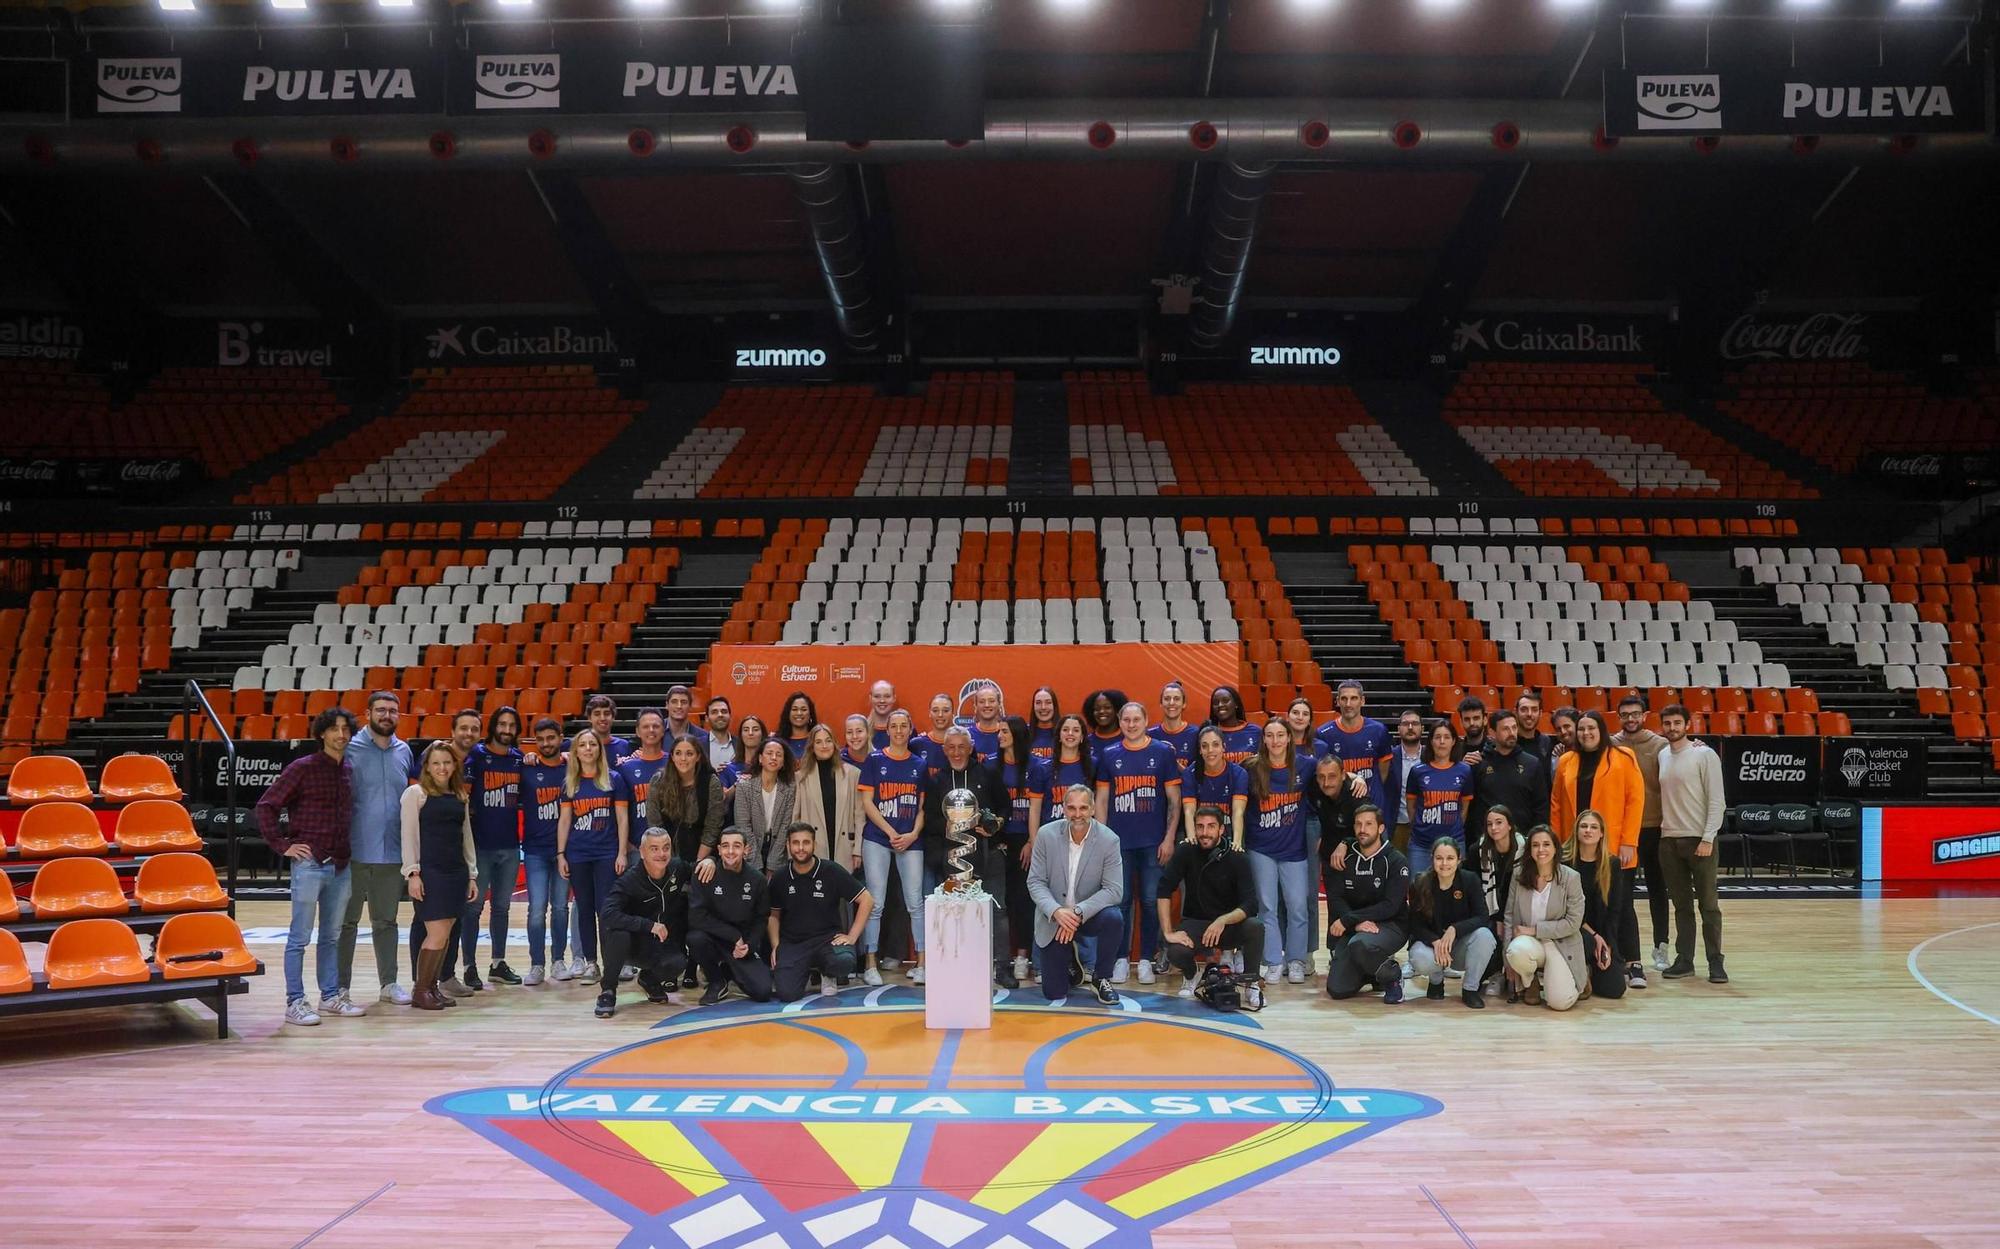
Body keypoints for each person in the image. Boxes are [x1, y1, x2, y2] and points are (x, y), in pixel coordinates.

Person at [259, 707, 359, 1026]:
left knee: (331, 936)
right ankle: (294, 1001)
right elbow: (266, 807)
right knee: (299, 937)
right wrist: (283, 845)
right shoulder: (302, 767)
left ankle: (330, 997)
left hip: (341, 864)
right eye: (334, 729)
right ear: (322, 733)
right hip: (310, 863)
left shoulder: (349, 769)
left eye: (345, 729)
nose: (340, 734)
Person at [1549, 710, 1647, 990]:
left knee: (1622, 904)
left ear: (1601, 730)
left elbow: (1635, 800)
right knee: (1581, 904)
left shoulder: (1623, 757)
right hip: (1574, 848)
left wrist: (1629, 840)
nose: (1586, 733)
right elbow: (1556, 804)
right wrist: (1557, 845)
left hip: (1614, 847)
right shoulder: (1568, 760)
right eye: (1581, 729)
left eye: (1591, 728)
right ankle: (1588, 955)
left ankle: (1633, 962)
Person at [1093, 702, 1181, 986]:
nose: (1131, 724)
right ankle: (1120, 958)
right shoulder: (1109, 755)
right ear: (1120, 723)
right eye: (1126, 720)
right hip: (1119, 843)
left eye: (1136, 719)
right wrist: (1103, 839)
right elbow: (1102, 801)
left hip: (1153, 843)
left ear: (1146, 721)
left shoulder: (1162, 752)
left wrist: (1169, 837)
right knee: (1120, 903)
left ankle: (1145, 958)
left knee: (1151, 901)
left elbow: (1174, 801)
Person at [336, 690, 413, 1013]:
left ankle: (388, 983)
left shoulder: (405, 751)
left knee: (387, 922)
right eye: (380, 710)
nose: (387, 716)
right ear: (367, 713)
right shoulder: (348, 748)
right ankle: (338, 988)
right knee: (346, 923)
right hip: (353, 852)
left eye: (393, 711)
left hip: (391, 853)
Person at [920, 726, 1015, 987]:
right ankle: (956, 965)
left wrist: (993, 824)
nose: (957, 752)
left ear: (971, 748)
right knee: (954, 913)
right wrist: (956, 825)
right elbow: (930, 819)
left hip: (989, 853)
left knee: (998, 910)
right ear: (944, 750)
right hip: (952, 858)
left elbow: (1005, 808)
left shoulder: (988, 773)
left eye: (962, 746)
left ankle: (1003, 967)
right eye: (951, 747)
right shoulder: (937, 780)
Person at [1025, 785, 1124, 1007]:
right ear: (1063, 809)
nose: (1077, 814)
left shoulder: (1109, 840)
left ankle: (1101, 977)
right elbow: (1035, 882)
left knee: (1114, 918)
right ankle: (1072, 962)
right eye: (1071, 808)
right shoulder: (1045, 835)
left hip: (1087, 916)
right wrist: (1057, 911)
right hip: (1055, 919)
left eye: (1083, 808)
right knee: (1055, 993)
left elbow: (1114, 890)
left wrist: (1078, 912)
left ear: (1092, 810)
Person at [1156, 805, 1262, 998]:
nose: (1205, 832)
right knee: (1175, 951)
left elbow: (1250, 904)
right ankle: (1191, 975)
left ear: (1221, 829)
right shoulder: (1185, 851)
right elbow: (1163, 889)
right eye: (1200, 827)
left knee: (1255, 926)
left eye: (1211, 826)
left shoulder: (1237, 856)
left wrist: (1223, 920)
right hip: (1196, 923)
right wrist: (1168, 932)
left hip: (1227, 925)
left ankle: (1251, 983)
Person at [401, 742, 477, 1012]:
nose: (442, 767)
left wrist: (472, 874)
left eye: (447, 762)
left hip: (456, 872)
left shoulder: (459, 794)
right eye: (436, 763)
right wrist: (413, 873)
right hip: (430, 872)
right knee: (436, 933)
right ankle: (421, 990)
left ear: (454, 765)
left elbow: (465, 837)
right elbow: (408, 836)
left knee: (445, 935)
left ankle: (432, 987)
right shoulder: (415, 794)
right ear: (427, 767)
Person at [1656, 703, 1728, 984]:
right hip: (1669, 841)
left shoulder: (1704, 754)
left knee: (1709, 905)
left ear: (1687, 724)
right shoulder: (1662, 755)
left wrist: (1708, 837)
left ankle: (1715, 962)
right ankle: (1685, 960)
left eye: (1677, 723)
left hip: (1700, 840)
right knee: (1682, 906)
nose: (1672, 728)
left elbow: (1717, 800)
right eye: (1667, 723)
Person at [556, 728, 631, 984]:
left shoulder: (613, 779)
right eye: (583, 744)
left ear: (600, 750)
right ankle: (590, 962)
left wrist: (621, 853)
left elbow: (622, 819)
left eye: (593, 744)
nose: (588, 748)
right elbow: (565, 821)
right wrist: (561, 854)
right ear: (576, 751)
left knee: (606, 909)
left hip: (606, 853)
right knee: (584, 909)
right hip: (578, 854)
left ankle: (614, 960)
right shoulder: (570, 783)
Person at [859, 709, 928, 985]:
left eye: (904, 726)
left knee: (915, 902)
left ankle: (922, 963)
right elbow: (867, 803)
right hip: (878, 838)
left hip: (911, 840)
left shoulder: (918, 764)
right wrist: (890, 831)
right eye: (894, 726)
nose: (899, 731)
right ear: (886, 730)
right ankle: (870, 963)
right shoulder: (874, 760)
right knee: (875, 903)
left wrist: (911, 834)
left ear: (910, 729)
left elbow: (923, 808)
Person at [1242, 719, 1313, 985]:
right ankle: (1272, 960)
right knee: (1267, 907)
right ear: (1263, 739)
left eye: (1280, 735)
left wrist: (1352, 776)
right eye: (1270, 735)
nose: (1275, 740)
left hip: (1294, 850)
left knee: (1297, 907)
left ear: (1289, 738)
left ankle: (1295, 960)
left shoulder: (1305, 765)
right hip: (1261, 848)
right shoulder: (1250, 768)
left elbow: (1333, 770)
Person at [768, 823, 873, 1002]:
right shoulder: (779, 877)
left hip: (827, 939)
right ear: (788, 846)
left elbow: (867, 900)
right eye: (796, 843)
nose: (801, 848)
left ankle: (827, 973)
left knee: (844, 961)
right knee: (786, 994)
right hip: (793, 943)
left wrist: (852, 937)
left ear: (814, 845)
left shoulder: (831, 870)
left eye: (806, 842)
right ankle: (805, 970)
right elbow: (773, 916)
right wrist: (776, 946)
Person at [595, 827, 692, 1018]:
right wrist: (648, 925)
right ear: (642, 852)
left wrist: (710, 862)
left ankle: (648, 979)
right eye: (654, 849)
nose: (661, 854)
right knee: (619, 933)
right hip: (628, 943)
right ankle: (608, 990)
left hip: (656, 943)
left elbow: (696, 868)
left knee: (678, 962)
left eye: (666, 848)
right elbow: (607, 913)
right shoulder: (630, 880)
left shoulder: (677, 868)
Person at [461, 705, 525, 990]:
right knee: (473, 908)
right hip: (480, 846)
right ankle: (468, 966)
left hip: (510, 846)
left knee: (502, 907)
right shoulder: (477, 755)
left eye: (512, 725)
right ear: (493, 726)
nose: (507, 730)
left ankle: (498, 963)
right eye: (502, 724)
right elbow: (463, 798)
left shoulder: (518, 759)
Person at [1324, 804, 1409, 1004]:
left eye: (1369, 824)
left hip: (1391, 924)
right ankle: (1375, 972)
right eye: (1358, 824)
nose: (1363, 829)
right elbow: (1336, 898)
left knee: (1359, 944)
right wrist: (1355, 924)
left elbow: (1391, 905)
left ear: (1380, 828)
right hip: (1355, 926)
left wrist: (1350, 920)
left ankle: (1393, 978)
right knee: (1337, 989)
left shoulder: (1396, 860)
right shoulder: (1344, 856)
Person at [1612, 694, 1670, 973]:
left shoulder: (1660, 745)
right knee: (1623, 894)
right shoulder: (1611, 744)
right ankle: (1624, 950)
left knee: (1658, 889)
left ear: (1645, 715)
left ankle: (1661, 946)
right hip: (1624, 832)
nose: (1631, 719)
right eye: (1625, 714)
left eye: (1635, 714)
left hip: (1654, 827)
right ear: (1618, 716)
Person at [686, 828, 775, 1005]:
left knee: (763, 991)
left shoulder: (757, 880)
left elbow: (761, 919)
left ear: (746, 850)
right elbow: (697, 917)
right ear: (718, 850)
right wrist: (734, 936)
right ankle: (716, 980)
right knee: (695, 939)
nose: (731, 851)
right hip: (716, 938)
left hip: (743, 943)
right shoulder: (705, 873)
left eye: (737, 846)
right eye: (725, 846)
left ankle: (729, 970)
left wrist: (749, 945)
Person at [1503, 825, 1587, 1011]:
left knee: (1559, 1003)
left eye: (1546, 844)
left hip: (1559, 942)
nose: (1541, 850)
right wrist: (1506, 960)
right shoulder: (1518, 875)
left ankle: (1577, 979)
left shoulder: (1571, 878)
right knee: (1515, 952)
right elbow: (1509, 916)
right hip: (1529, 942)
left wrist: (1535, 930)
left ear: (1555, 848)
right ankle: (1529, 981)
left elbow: (1573, 923)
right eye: (1535, 845)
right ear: (1529, 849)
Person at [1405, 836, 1495, 1008]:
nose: (1444, 863)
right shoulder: (1420, 882)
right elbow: (1414, 925)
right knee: (1420, 958)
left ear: (1459, 859)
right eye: (1439, 858)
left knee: (1485, 936)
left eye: (1450, 858)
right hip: (1432, 946)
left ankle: (1470, 989)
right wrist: (1435, 941)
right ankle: (1436, 981)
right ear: (1432, 859)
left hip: (1459, 946)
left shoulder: (1470, 880)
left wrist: (1455, 929)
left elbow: (1482, 916)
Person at [994, 716, 1050, 984]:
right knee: (1001, 902)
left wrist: (1031, 841)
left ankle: (1023, 955)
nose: (999, 736)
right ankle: (1001, 958)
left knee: (1024, 902)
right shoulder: (992, 765)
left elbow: (1038, 809)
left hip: (1027, 842)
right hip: (1000, 841)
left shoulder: (1037, 766)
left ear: (1016, 733)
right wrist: (996, 838)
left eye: (1004, 731)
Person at [519, 716, 573, 985]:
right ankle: (537, 964)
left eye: (551, 738)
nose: (545, 744)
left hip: (565, 849)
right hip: (535, 850)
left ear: (561, 737)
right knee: (537, 909)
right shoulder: (527, 767)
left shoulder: (571, 766)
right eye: (540, 739)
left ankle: (558, 960)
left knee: (561, 907)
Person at [1567, 810, 1628, 1003]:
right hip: (1575, 931)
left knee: (1614, 989)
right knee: (1586, 943)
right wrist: (1594, 936)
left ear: (1601, 833)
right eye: (1583, 826)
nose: (1588, 831)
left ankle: (1590, 969)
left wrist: (1608, 944)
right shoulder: (1565, 862)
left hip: (1602, 933)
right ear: (1576, 831)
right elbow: (1565, 911)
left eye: (1594, 827)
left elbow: (1615, 910)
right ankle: (1582, 966)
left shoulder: (1612, 864)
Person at [1402, 720, 1476, 879]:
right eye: (1437, 737)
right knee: (1418, 892)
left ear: (1454, 741)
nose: (1442, 742)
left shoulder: (1464, 770)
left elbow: (1464, 809)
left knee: (1453, 893)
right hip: (1421, 845)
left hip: (1454, 843)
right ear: (1431, 741)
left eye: (1446, 737)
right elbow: (1411, 807)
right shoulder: (1417, 771)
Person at [646, 736, 726, 868]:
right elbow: (655, 825)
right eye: (678, 753)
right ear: (671, 756)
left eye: (689, 754)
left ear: (698, 757)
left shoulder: (711, 782)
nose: (683, 759)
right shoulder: (658, 781)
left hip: (702, 852)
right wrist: (669, 862)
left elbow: (712, 828)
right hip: (666, 853)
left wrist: (697, 863)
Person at [1467, 708, 1549, 837]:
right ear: (1492, 732)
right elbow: (1473, 809)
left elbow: (1541, 807)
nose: (1512, 733)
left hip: (1522, 841)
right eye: (1505, 729)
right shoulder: (1479, 763)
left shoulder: (1532, 764)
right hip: (1488, 841)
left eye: (1514, 727)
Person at [794, 724, 863, 871]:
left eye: (828, 740)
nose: (824, 746)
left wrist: (858, 850)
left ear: (835, 744)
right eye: (818, 742)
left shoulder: (852, 774)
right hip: (813, 849)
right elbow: (795, 817)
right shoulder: (801, 777)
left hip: (845, 849)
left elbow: (859, 816)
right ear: (812, 747)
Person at [1316, 680, 1393, 814]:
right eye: (1344, 699)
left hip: (1373, 808)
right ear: (1337, 701)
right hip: (1339, 810)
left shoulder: (1378, 730)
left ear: (1362, 701)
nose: (1348, 704)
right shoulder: (1324, 734)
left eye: (1354, 698)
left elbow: (1383, 772)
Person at [1469, 805, 1522, 994]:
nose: (1494, 828)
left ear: (1510, 826)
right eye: (1490, 824)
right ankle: (1494, 975)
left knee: (1510, 929)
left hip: (1518, 909)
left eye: (1499, 822)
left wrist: (1502, 918)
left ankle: (1520, 976)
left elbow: (1519, 891)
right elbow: (1474, 888)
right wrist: (1496, 917)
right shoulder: (1478, 850)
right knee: (1488, 931)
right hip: (1487, 909)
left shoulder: (1523, 850)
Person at [734, 738, 798, 874]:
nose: (774, 757)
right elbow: (743, 826)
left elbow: (785, 826)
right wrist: (756, 863)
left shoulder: (789, 788)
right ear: (760, 758)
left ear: (783, 762)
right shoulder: (744, 786)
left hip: (777, 847)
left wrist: (773, 864)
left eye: (779, 755)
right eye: (769, 753)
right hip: (751, 845)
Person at [1181, 726, 1249, 849]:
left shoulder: (1239, 774)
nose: (1210, 750)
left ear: (1224, 747)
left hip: (1227, 831)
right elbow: (1189, 811)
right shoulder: (1190, 773)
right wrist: (1191, 838)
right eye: (1205, 746)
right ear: (1200, 750)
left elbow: (1238, 812)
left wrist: (1237, 842)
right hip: (1202, 834)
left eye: (1215, 745)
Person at [616, 708, 672, 835]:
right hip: (636, 845)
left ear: (663, 730)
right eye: (646, 726)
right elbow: (619, 812)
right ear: (638, 731)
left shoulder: (674, 763)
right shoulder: (626, 768)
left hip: (670, 844)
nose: (651, 730)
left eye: (656, 726)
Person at [1388, 709, 1426, 851]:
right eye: (1405, 724)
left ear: (1422, 729)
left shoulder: (1432, 756)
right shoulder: (1389, 757)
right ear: (1398, 729)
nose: (1410, 727)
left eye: (1414, 723)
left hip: (1424, 824)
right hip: (1396, 824)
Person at [1047, 714, 1097, 807]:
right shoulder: (1044, 766)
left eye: (1076, 730)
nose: (1070, 733)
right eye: (1065, 730)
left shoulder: (1093, 764)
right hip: (1052, 821)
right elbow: (1035, 808)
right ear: (1059, 735)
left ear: (1082, 736)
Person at [1149, 681, 1199, 771]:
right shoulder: (1150, 735)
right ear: (1161, 703)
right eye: (1167, 699)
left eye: (1176, 699)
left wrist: (1173, 762)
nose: (1171, 703)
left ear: (1184, 704)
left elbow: (1197, 777)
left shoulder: (1196, 734)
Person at [1206, 684, 1260, 763]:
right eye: (1216, 702)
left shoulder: (1256, 731)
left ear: (1236, 704)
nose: (1220, 705)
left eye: (1225, 700)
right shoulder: (1209, 734)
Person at [724, 716, 769, 800]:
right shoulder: (728, 768)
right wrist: (737, 785)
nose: (750, 733)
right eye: (746, 730)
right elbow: (721, 800)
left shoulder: (770, 766)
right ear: (741, 735)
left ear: (762, 734)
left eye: (755, 729)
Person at [1516, 689, 1556, 774]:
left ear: (1540, 713)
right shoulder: (1509, 742)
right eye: (1524, 709)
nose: (1529, 714)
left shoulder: (1546, 742)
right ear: (1516, 712)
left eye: (1534, 710)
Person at [584, 694, 632, 762]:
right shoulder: (576, 745)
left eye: (606, 713)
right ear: (589, 718)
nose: (602, 718)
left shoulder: (624, 746)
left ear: (613, 717)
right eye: (597, 714)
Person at [914, 693, 957, 765]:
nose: (940, 715)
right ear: (930, 713)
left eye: (945, 711)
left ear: (953, 713)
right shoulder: (916, 744)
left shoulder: (961, 745)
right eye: (935, 710)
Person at [664, 685, 710, 751]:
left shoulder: (703, 736)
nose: (679, 706)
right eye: (674, 702)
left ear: (690, 706)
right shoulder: (654, 731)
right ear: (667, 705)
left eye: (683, 702)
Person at [967, 682, 1006, 758]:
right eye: (982, 701)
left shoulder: (1007, 734)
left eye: (991, 701)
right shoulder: (967, 735)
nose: (987, 705)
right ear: (976, 705)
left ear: (999, 704)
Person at [776, 692, 818, 760]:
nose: (799, 713)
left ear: (810, 713)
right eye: (794, 709)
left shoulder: (818, 739)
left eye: (803, 709)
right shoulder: (778, 741)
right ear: (788, 713)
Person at [1026, 686, 1062, 762]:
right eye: (1038, 703)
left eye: (1048, 702)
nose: (1043, 707)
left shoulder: (1065, 733)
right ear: (1033, 706)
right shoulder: (1024, 732)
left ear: (1054, 706)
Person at [704, 696, 738, 772]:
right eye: (714, 712)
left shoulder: (740, 745)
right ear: (706, 718)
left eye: (724, 711)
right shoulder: (697, 745)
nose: (720, 715)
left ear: (730, 716)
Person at [1453, 696, 1490, 763]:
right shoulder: (1454, 751)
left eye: (1476, 718)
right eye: (1467, 719)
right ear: (1461, 723)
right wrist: (1461, 767)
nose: (1472, 723)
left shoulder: (1495, 749)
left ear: (1485, 720)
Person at [866, 680, 899, 749]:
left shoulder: (905, 729)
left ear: (894, 698)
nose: (882, 700)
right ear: (870, 698)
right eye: (877, 696)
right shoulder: (860, 730)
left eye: (887, 696)